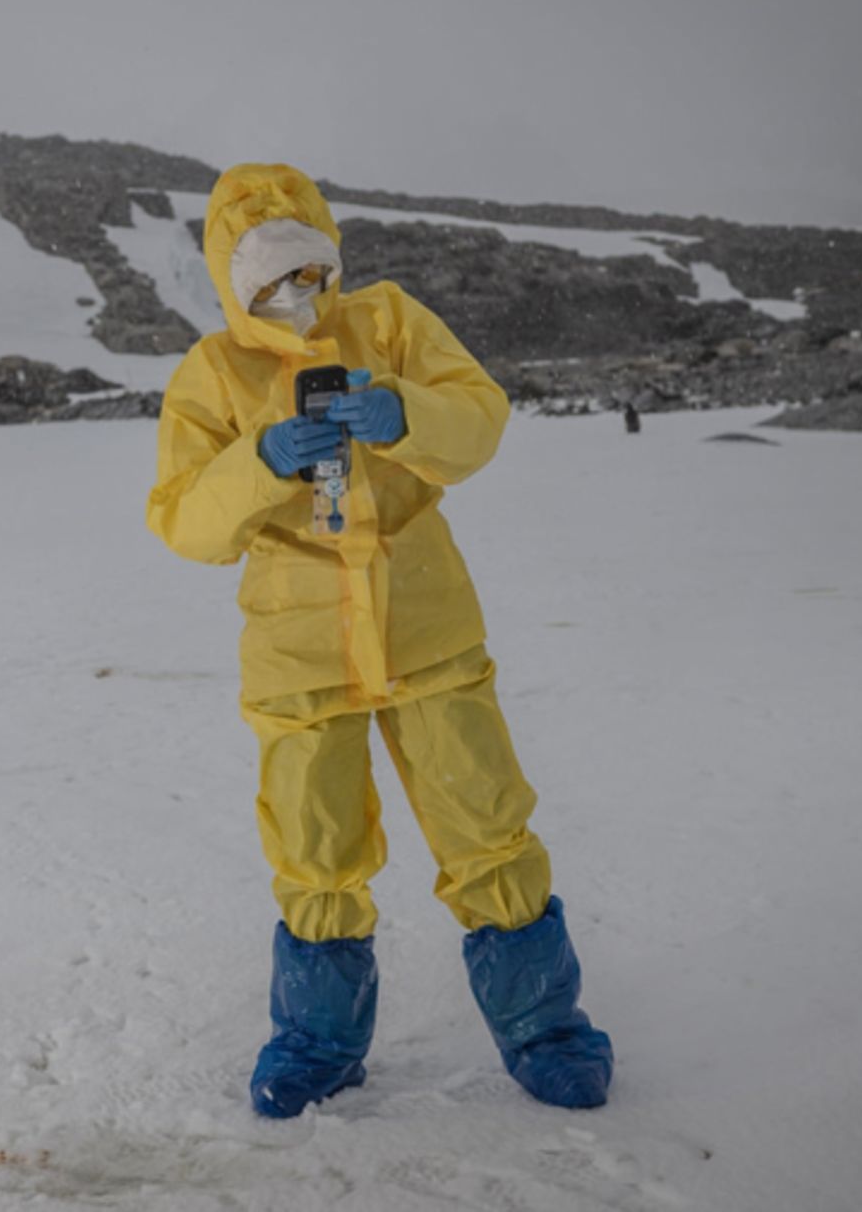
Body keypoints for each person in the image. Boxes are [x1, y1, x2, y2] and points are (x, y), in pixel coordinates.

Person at [146, 163, 613, 1119]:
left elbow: (479, 418)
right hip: (299, 653)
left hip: (428, 625)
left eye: (310, 270)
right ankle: (319, 1041)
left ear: (331, 259)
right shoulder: (212, 373)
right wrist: (261, 460)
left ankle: (546, 1027)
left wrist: (404, 413)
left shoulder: (391, 319)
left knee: (487, 824)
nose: (297, 295)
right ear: (235, 282)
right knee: (315, 847)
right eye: (272, 278)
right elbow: (186, 522)